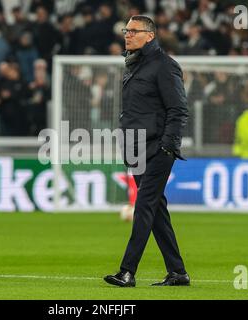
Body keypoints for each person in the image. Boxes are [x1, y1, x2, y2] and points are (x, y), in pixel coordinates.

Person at [104, 15, 189, 287]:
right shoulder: (135, 64)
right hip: (137, 148)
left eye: (133, 31)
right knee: (156, 210)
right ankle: (177, 272)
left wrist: (167, 146)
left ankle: (127, 271)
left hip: (157, 149)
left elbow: (178, 109)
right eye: (125, 30)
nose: (127, 35)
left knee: (143, 207)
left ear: (149, 35)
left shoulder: (164, 66)